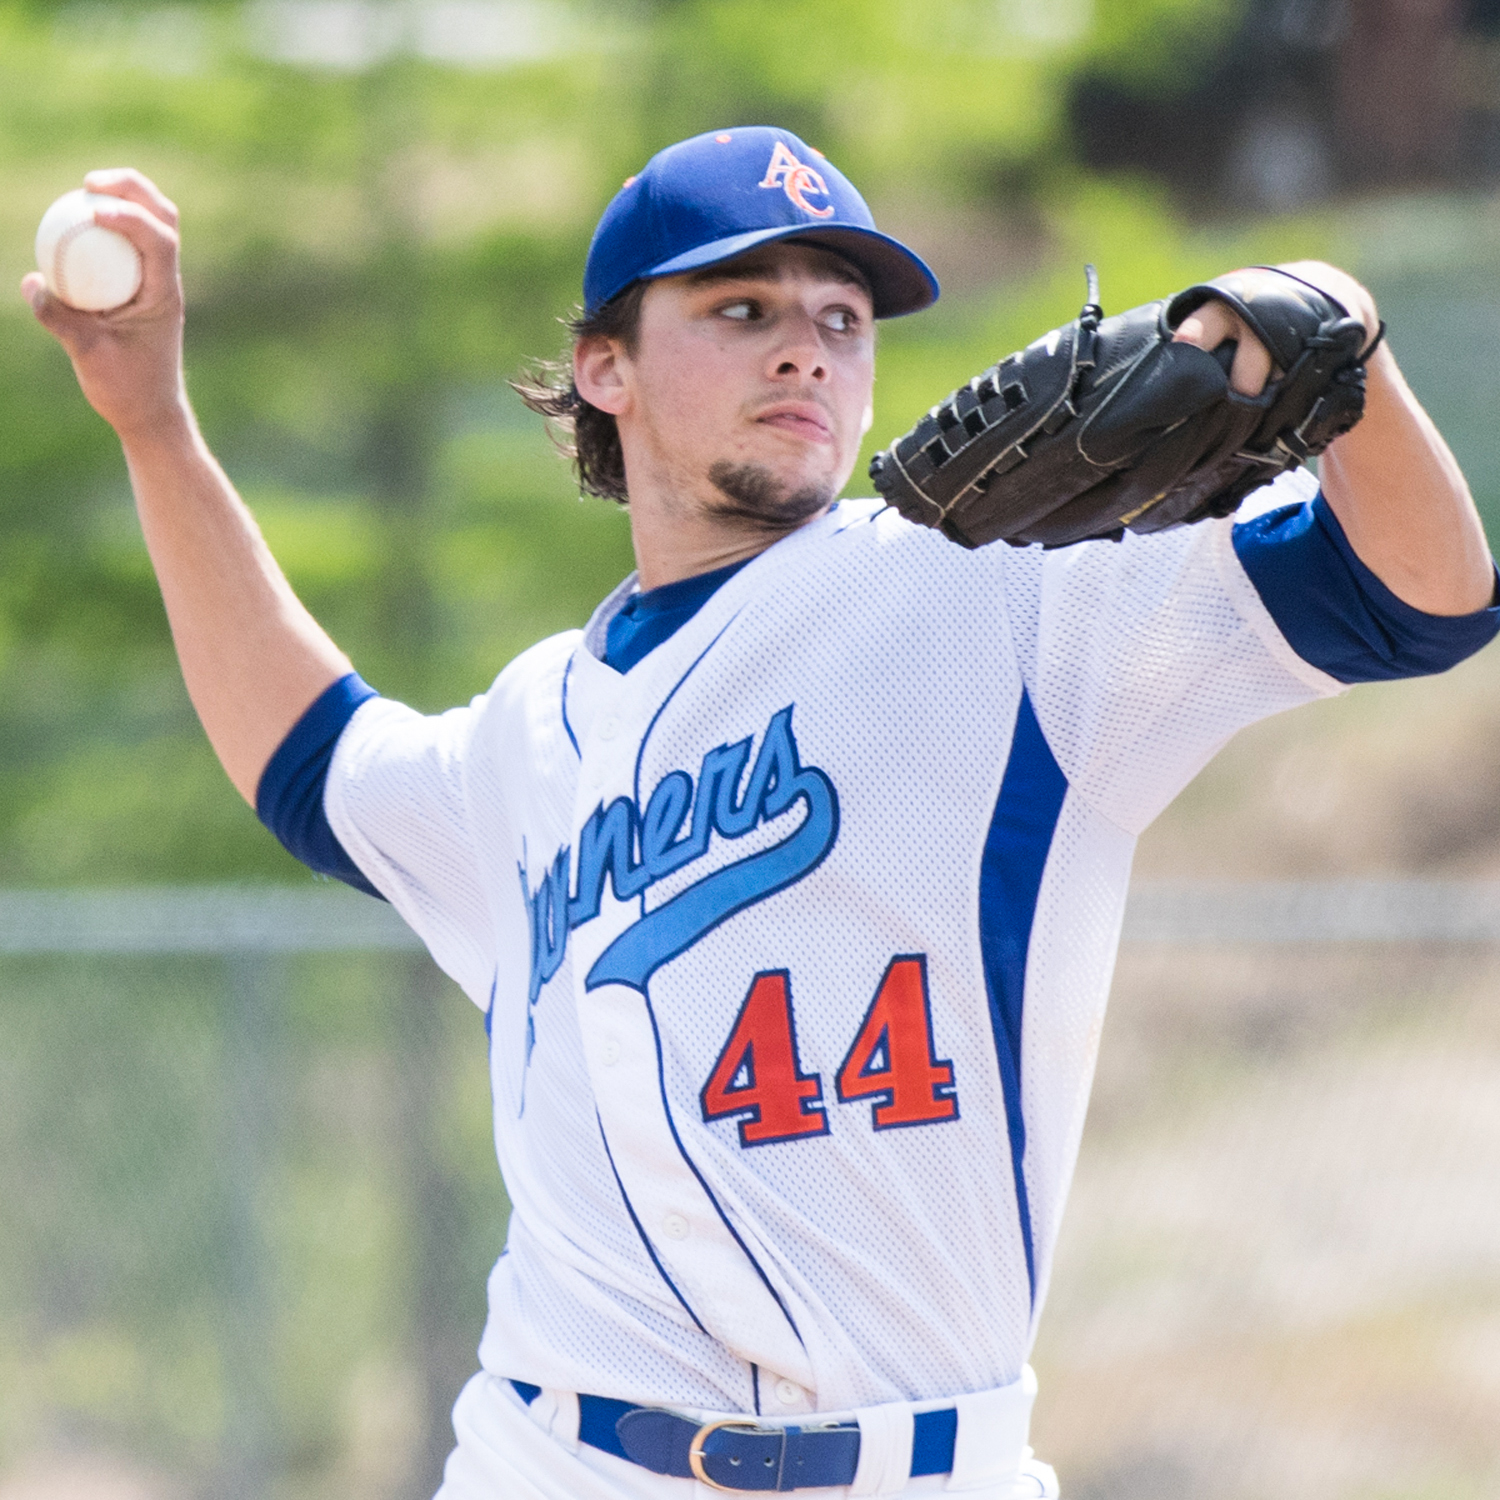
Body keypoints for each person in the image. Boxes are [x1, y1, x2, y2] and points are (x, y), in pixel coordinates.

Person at [22, 127, 1498, 1500]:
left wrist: (1339, 335)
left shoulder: (997, 592)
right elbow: (313, 763)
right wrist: (152, 423)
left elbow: (1420, 599)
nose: (807, 345)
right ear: (604, 368)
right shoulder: (532, 728)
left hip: (929, 1463)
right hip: (556, 1456)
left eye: (841, 319)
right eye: (742, 310)